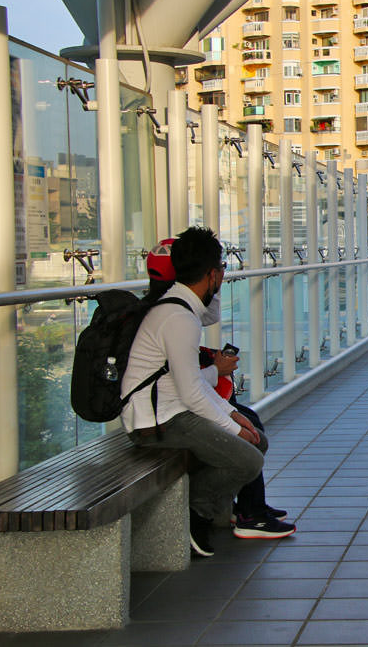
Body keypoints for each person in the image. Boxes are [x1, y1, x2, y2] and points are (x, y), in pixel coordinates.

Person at [122, 227, 289, 557]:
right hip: (157, 423)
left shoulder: (180, 310)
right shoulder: (177, 318)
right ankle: (194, 514)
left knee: (257, 438)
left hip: (172, 412)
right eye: (222, 268)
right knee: (249, 458)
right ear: (213, 273)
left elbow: (193, 386)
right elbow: (191, 391)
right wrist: (234, 426)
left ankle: (215, 512)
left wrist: (233, 414)